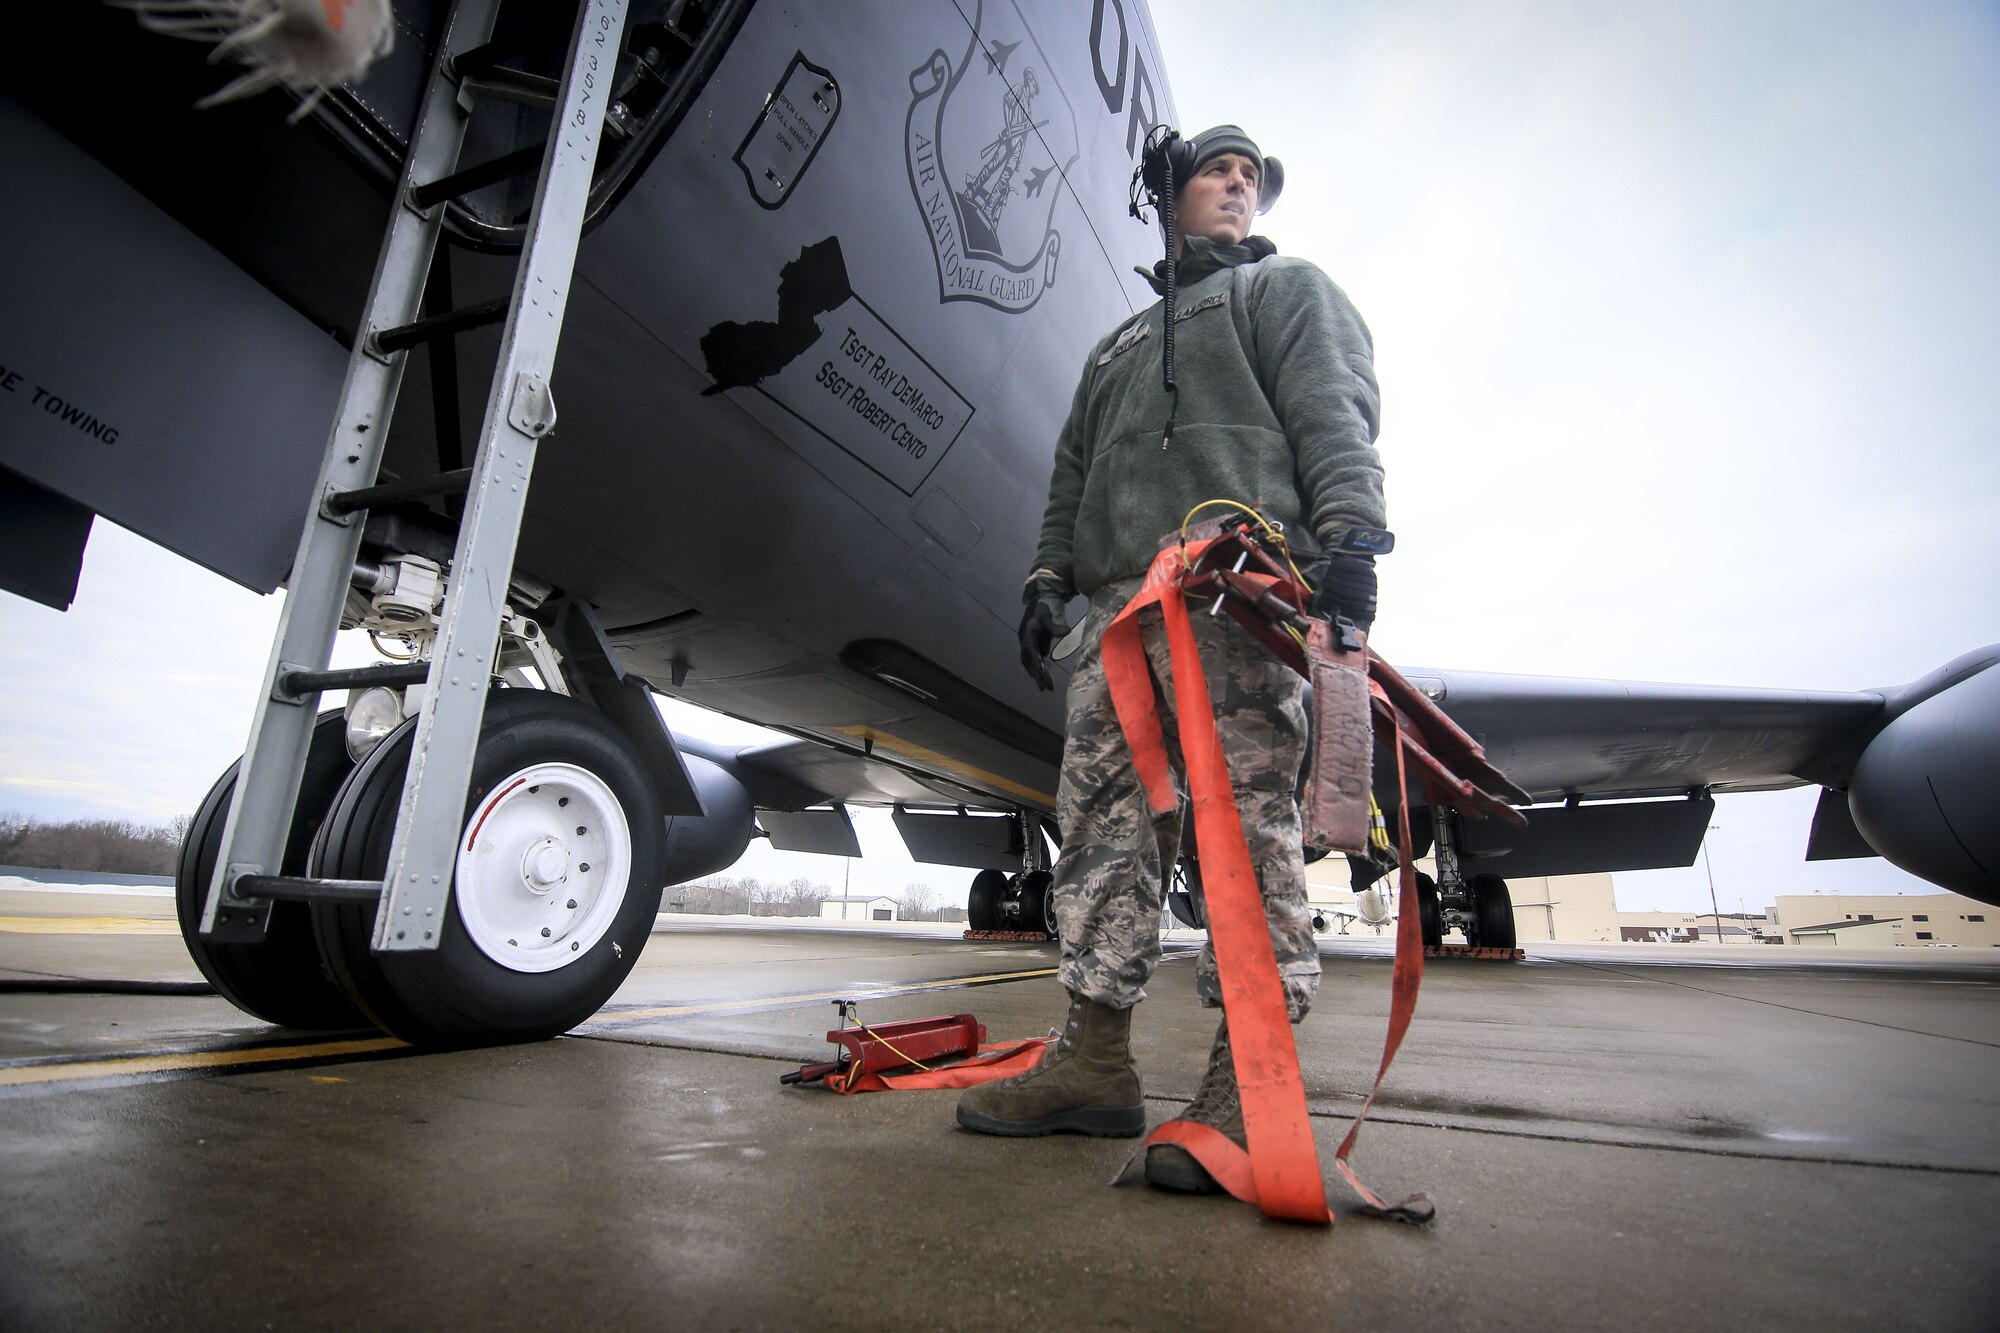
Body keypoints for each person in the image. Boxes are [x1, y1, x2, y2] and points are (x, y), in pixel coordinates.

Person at [955, 125, 1387, 1195]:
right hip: (1115, 620)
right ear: (1169, 194)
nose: (1238, 187)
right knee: (1100, 831)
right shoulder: (1112, 348)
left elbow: (1333, 411)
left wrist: (1352, 536)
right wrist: (1043, 582)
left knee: (1240, 831)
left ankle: (1247, 1075)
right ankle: (1093, 1058)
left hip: (1233, 595)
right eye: (1217, 172)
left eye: (1251, 178)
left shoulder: (1281, 292)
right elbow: (1070, 477)